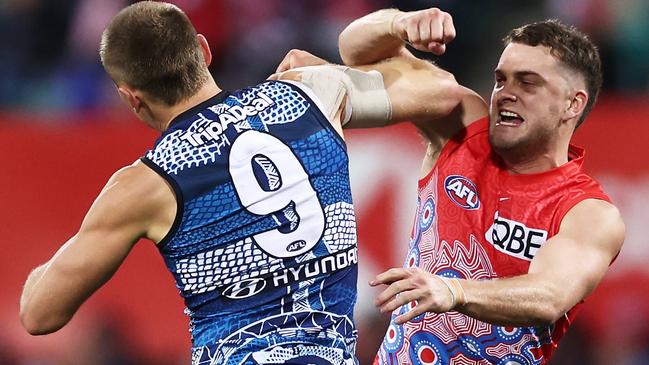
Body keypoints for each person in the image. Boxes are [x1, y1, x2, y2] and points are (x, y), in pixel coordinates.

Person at [18, 2, 459, 364]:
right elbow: (441, 92)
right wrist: (369, 43)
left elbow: (39, 313)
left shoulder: (144, 185)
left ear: (130, 97)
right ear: (205, 51)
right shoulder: (312, 93)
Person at [277, 7, 625, 365]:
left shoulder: (587, 212)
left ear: (572, 104)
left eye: (527, 82)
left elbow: (549, 297)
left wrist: (453, 290)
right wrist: (399, 25)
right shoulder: (463, 128)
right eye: (501, 79)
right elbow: (355, 47)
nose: (505, 93)